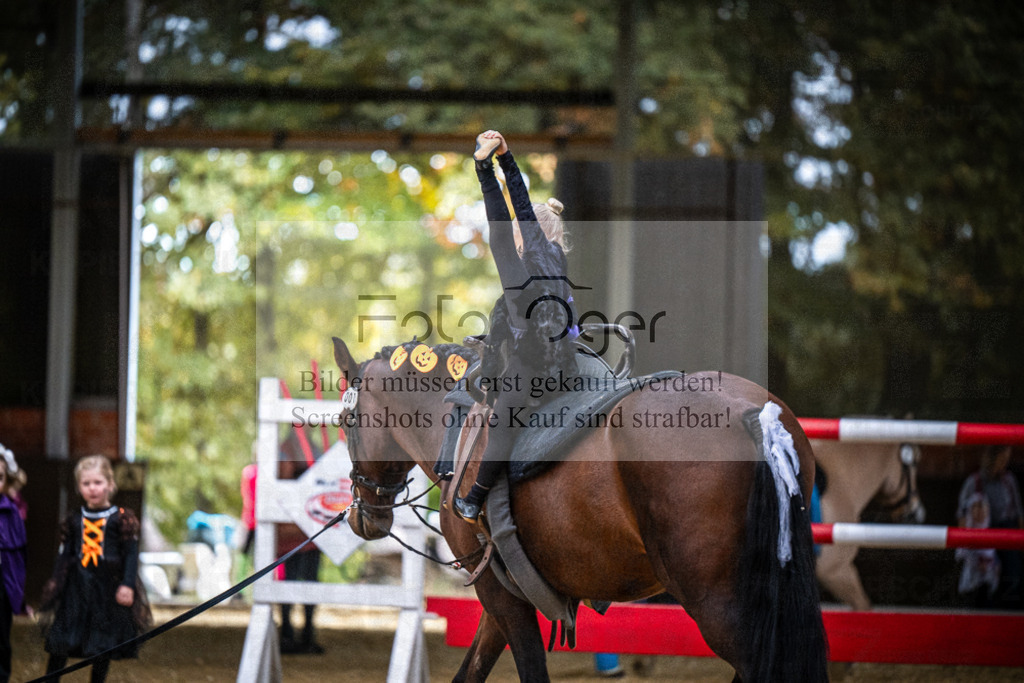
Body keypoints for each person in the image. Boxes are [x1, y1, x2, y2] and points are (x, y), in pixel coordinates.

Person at [454, 130, 579, 523]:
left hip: (535, 368)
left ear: (524, 236)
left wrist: (483, 168)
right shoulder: (557, 258)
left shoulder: (517, 264)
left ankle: (475, 496)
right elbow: (522, 204)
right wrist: (504, 158)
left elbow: (504, 213)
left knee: (501, 423)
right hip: (568, 364)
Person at [39, 455, 152, 682]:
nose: (92, 488)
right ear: (79, 487)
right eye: (86, 483)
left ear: (110, 485)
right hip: (76, 590)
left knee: (102, 643)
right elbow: (65, 555)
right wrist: (56, 582)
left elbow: (131, 555)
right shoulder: (73, 519)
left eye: (98, 482)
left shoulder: (121, 519)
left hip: (106, 591)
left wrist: (127, 584)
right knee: (62, 639)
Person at [957, 445, 1023, 608]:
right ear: (991, 458)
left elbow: (1018, 512)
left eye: (1006, 460)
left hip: (1007, 531)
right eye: (1001, 459)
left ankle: (1011, 613)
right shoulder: (974, 482)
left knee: (1012, 573)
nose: (1004, 464)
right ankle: (985, 611)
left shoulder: (1009, 480)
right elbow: (962, 514)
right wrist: (964, 544)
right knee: (982, 578)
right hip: (982, 534)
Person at [0, 447, 27, 683]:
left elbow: (19, 556)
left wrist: (16, 593)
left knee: (0, 638)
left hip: (1, 586)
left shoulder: (11, 514)